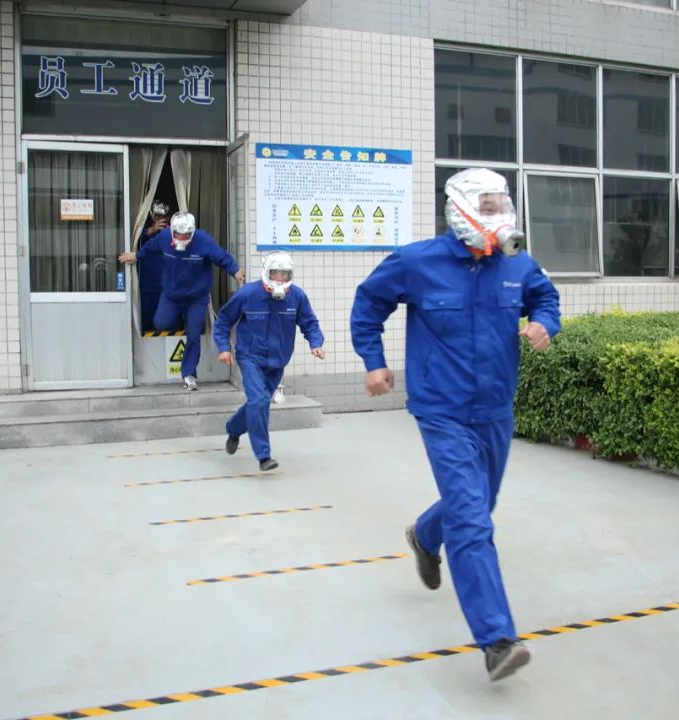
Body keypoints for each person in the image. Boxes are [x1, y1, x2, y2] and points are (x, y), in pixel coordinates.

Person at [349, 168, 561, 682]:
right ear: (460, 208)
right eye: (487, 206)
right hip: (441, 410)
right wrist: (374, 362)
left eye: (501, 204)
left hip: (495, 409)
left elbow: (545, 297)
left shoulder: (516, 263)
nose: (498, 214)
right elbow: (368, 302)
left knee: (480, 502)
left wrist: (543, 323)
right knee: (471, 520)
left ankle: (425, 535)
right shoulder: (417, 262)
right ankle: (497, 640)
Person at [213, 252, 325, 471]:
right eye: (276, 273)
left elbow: (309, 323)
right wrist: (224, 348)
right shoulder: (248, 294)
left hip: (278, 360)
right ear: (266, 272)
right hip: (250, 357)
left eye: (285, 274)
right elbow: (224, 320)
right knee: (259, 400)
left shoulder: (297, 296)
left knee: (258, 402)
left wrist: (316, 343)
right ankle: (263, 456)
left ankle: (233, 428)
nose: (280, 279)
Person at [120, 211, 245, 390]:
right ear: (172, 231)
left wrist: (235, 271)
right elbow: (151, 247)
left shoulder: (203, 240)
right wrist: (137, 255)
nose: (181, 238)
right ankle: (181, 319)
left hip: (196, 298)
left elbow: (222, 257)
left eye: (185, 235)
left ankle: (189, 373)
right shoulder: (164, 237)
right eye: (177, 234)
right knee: (161, 322)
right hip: (171, 295)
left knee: (193, 336)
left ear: (192, 233)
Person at [135, 201, 171, 333]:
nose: (160, 219)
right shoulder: (142, 232)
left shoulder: (171, 232)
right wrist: (151, 230)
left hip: (165, 287)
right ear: (151, 216)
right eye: (157, 216)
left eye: (163, 216)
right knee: (145, 323)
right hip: (145, 286)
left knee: (165, 324)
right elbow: (133, 240)